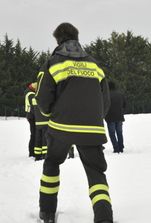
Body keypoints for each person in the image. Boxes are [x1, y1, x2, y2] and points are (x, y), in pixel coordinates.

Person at [35, 22, 113, 223]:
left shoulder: (53, 62)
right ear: (77, 38)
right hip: (92, 128)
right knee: (96, 172)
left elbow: (43, 99)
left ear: (58, 40)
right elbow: (105, 100)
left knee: (52, 163)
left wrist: (52, 113)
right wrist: (95, 118)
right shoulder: (94, 65)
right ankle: (104, 217)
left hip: (61, 127)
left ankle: (47, 213)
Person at [105, 81, 126, 153]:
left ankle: (116, 148)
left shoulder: (106, 95)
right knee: (119, 133)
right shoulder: (120, 94)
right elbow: (124, 105)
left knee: (112, 133)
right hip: (119, 116)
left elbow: (104, 106)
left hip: (110, 117)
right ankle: (121, 147)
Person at [31, 86, 49, 161]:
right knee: (45, 139)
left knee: (38, 139)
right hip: (45, 122)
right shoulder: (46, 98)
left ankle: (37, 155)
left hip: (38, 123)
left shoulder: (33, 99)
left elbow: (32, 111)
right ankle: (45, 155)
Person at [24, 83, 36, 157]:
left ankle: (32, 152)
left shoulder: (29, 93)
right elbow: (35, 105)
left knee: (34, 134)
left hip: (31, 116)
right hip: (32, 117)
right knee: (34, 134)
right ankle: (32, 152)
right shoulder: (31, 94)